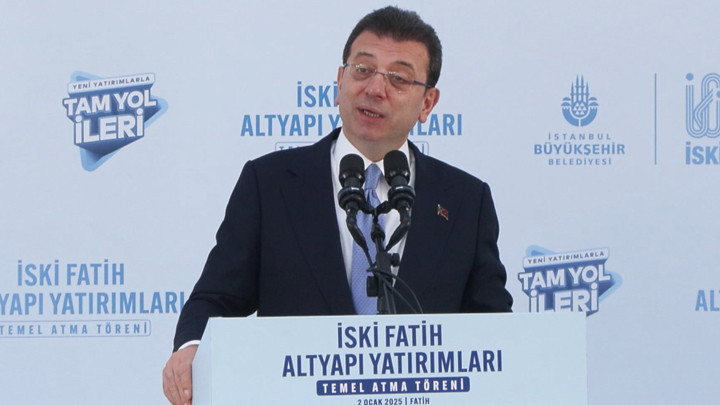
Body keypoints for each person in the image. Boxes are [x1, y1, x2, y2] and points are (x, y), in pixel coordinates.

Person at [162, 6, 513, 404]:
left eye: (398, 78)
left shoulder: (465, 200)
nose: (375, 88)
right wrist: (192, 349)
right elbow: (216, 298)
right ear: (340, 80)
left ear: (427, 103)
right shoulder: (270, 183)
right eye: (363, 69)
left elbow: (495, 330)